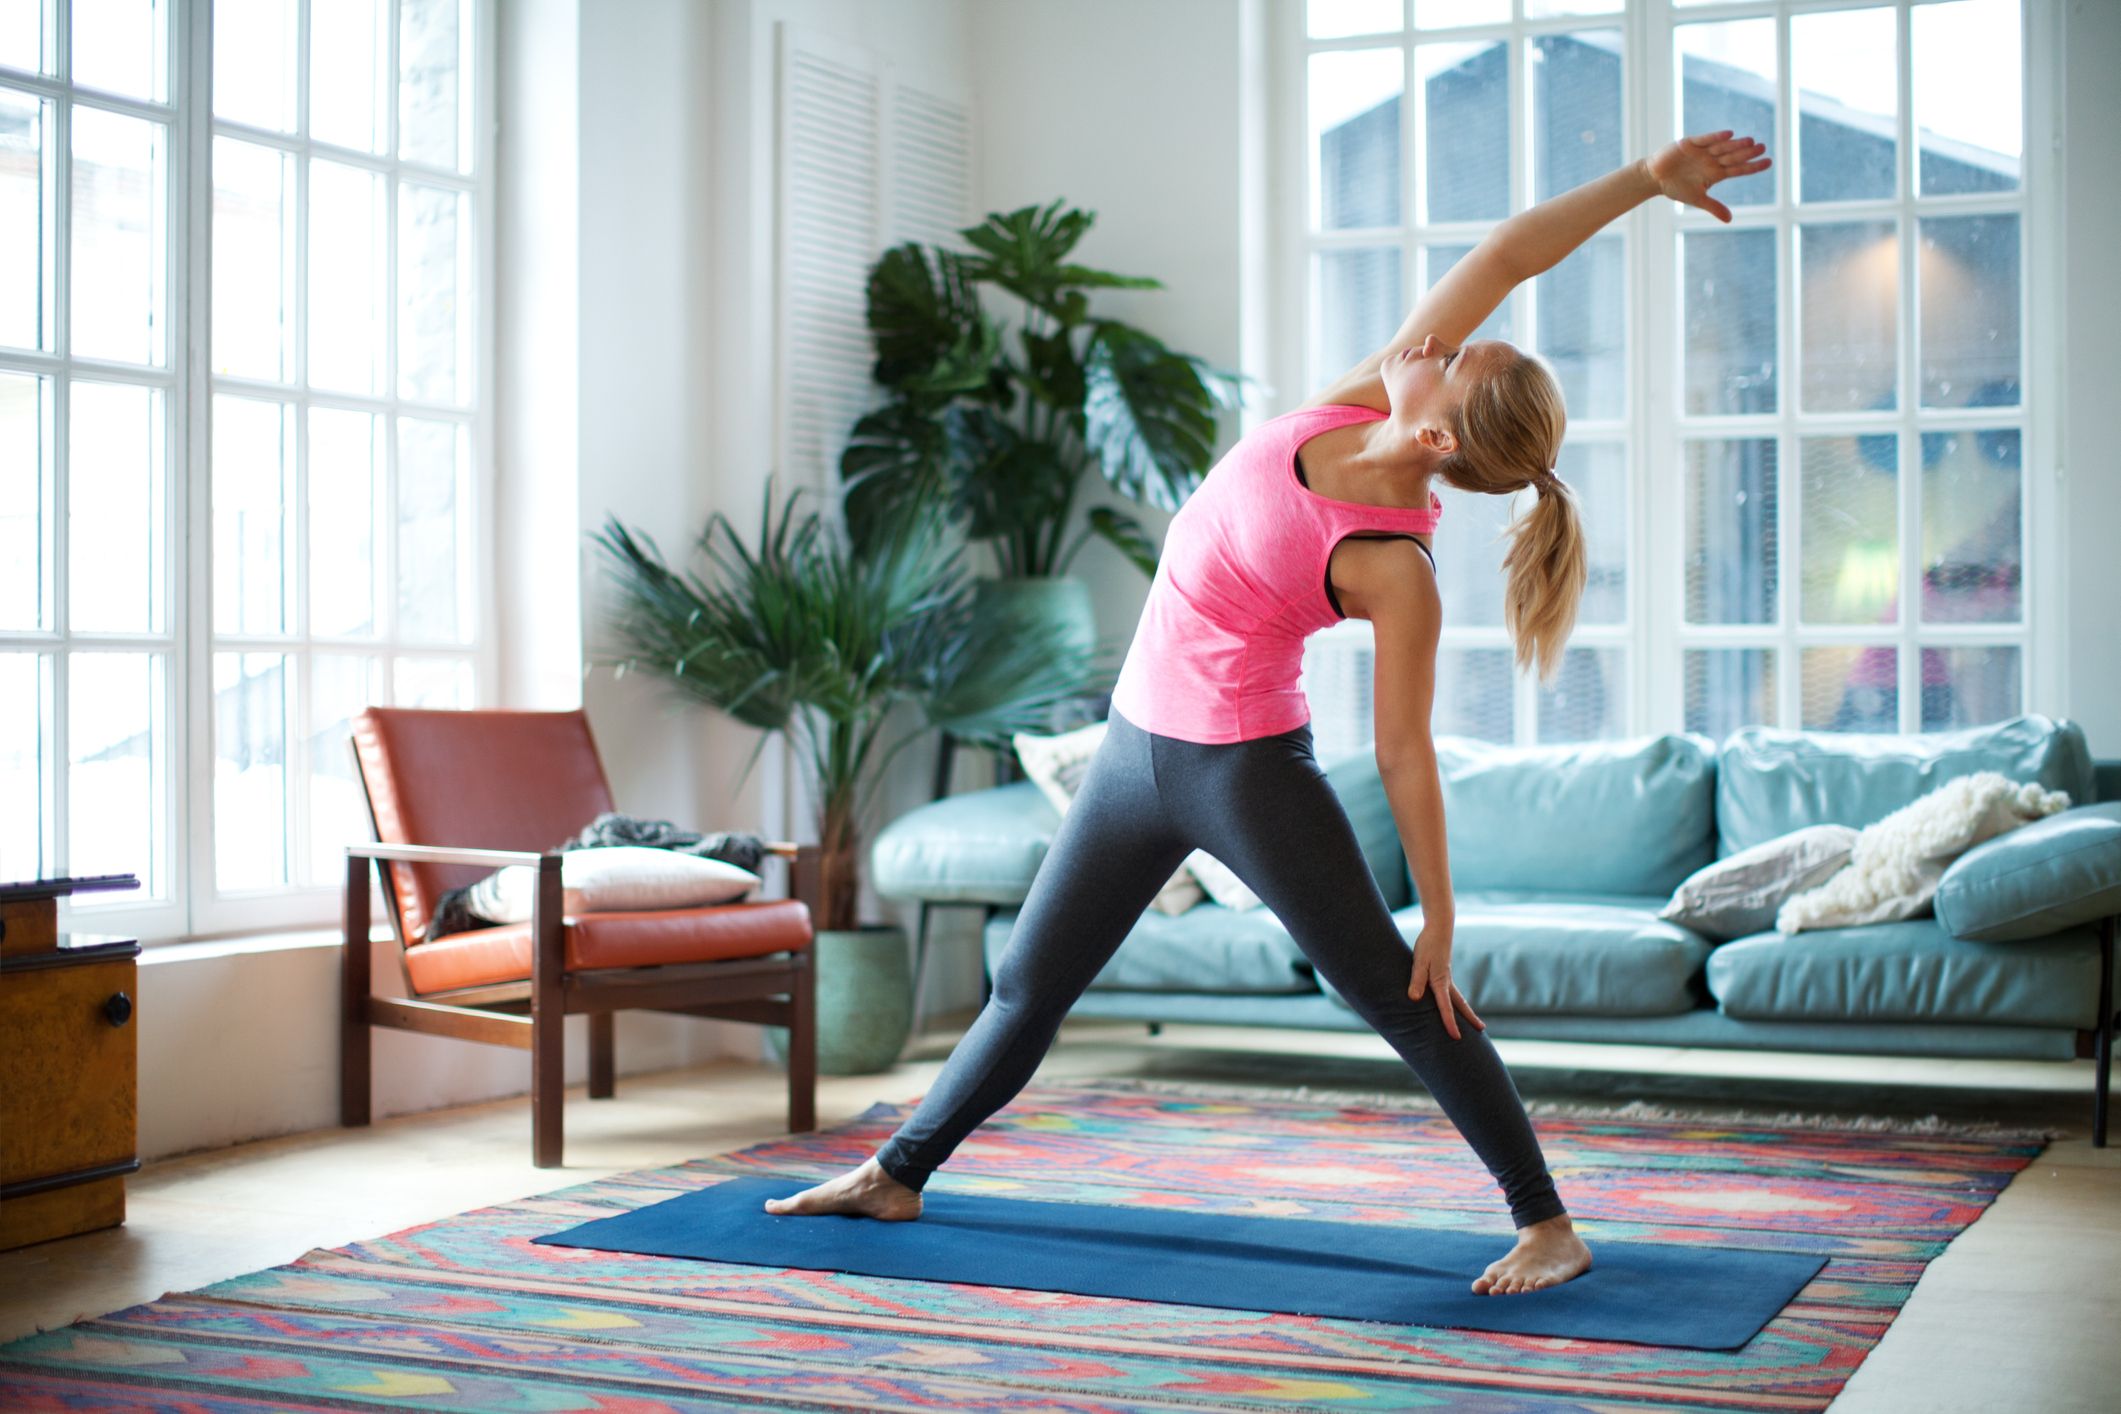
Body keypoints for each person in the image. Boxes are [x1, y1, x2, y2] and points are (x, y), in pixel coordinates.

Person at [764, 130, 1772, 1297]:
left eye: (1460, 359)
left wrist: (1441, 910)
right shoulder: (1365, 393)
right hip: (1135, 746)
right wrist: (1645, 182)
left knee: (1401, 992)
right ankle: (899, 1169)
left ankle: (1546, 1221)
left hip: (1241, 771)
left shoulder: (1396, 564)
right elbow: (1508, 251)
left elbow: (1402, 750)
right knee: (1030, 984)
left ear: (1442, 436)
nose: (1443, 341)